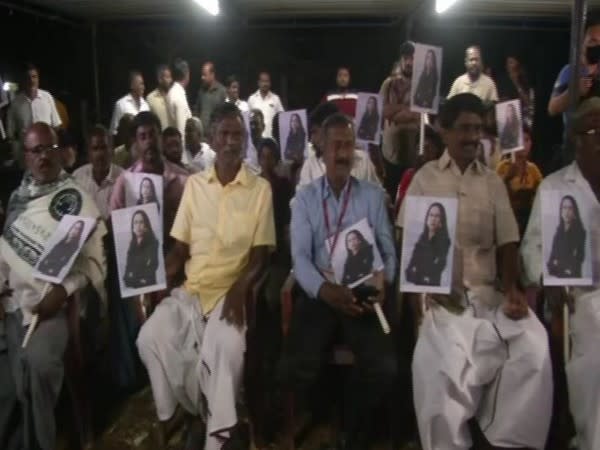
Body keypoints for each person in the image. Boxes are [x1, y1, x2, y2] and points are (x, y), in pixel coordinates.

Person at [397, 93, 552, 450]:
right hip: (441, 299)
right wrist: (417, 307)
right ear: (444, 131)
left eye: (478, 129)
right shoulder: (424, 179)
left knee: (533, 346)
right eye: (464, 128)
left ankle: (507, 443)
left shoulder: (492, 182)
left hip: (488, 294)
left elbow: (509, 241)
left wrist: (512, 288)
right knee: (439, 367)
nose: (471, 137)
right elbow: (409, 245)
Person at [136, 102, 275, 450]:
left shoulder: (260, 189)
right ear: (212, 138)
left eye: (238, 135)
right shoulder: (195, 186)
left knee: (226, 347)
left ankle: (217, 435)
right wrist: (149, 281)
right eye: (225, 134)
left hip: (232, 293)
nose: (231, 142)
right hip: (192, 291)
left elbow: (261, 257)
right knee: (150, 337)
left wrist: (240, 289)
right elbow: (180, 251)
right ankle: (195, 411)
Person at [281, 113, 397, 450]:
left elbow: (389, 253)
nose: (344, 153)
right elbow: (300, 258)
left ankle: (349, 421)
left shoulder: (372, 197)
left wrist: (382, 282)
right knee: (294, 366)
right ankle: (322, 412)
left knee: (385, 368)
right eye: (337, 145)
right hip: (321, 290)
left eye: (349, 145)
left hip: (362, 291)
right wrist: (324, 290)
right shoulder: (305, 199)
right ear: (322, 149)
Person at [0, 123, 106, 450]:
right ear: (26, 156)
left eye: (48, 148)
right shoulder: (19, 199)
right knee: (9, 381)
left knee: (37, 365)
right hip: (14, 303)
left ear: (59, 151)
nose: (43, 157)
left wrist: (60, 294)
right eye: (35, 151)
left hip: (55, 307)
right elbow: (4, 253)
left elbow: (93, 263)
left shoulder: (76, 199)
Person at [521, 97, 600, 450]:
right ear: (576, 140)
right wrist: (548, 279)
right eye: (595, 132)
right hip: (579, 296)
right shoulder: (554, 187)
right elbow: (530, 251)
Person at [111, 111, 188, 245]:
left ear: (160, 138)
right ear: (136, 142)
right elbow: (115, 224)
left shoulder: (182, 179)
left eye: (153, 135)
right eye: (143, 137)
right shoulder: (124, 182)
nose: (149, 141)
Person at [297, 102, 381, 191]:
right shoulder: (310, 165)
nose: (312, 139)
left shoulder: (362, 161)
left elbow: (379, 194)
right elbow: (298, 201)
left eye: (314, 132)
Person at [379, 41, 420, 199]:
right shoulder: (388, 84)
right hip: (390, 156)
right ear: (401, 59)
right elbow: (383, 111)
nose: (409, 62)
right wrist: (407, 108)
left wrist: (395, 111)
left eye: (412, 58)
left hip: (413, 156)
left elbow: (419, 114)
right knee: (390, 199)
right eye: (406, 58)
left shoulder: (421, 86)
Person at [7, 64, 61, 165]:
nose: (31, 81)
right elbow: (11, 134)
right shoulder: (15, 104)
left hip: (48, 154)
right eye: (27, 78)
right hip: (27, 158)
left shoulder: (47, 97)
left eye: (34, 77)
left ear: (38, 78)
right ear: (23, 80)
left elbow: (56, 125)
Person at [496, 126, 542, 236]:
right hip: (507, 222)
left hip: (529, 222)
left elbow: (542, 194)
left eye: (527, 140)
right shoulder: (502, 167)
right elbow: (493, 194)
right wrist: (507, 177)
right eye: (520, 140)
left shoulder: (533, 169)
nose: (524, 145)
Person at [73, 125, 124, 220]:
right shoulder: (77, 177)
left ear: (112, 151)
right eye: (95, 148)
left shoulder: (124, 179)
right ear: (88, 153)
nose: (100, 154)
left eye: (104, 147)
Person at [394, 125, 444, 215]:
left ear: (437, 150)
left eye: (428, 148)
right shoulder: (409, 175)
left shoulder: (444, 177)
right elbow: (399, 206)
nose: (423, 154)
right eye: (419, 149)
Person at [404, 202, 451, 286]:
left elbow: (436, 268)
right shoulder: (421, 239)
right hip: (417, 287)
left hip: (434, 288)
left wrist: (418, 272)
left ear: (442, 220)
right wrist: (423, 277)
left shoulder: (445, 241)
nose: (433, 219)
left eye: (437, 216)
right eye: (431, 215)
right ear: (427, 218)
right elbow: (408, 272)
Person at [546, 195, 586, 278]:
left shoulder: (580, 232)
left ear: (574, 211)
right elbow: (550, 264)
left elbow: (579, 259)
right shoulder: (557, 233)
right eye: (564, 208)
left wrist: (558, 263)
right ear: (560, 211)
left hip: (574, 278)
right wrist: (564, 265)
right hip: (558, 279)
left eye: (570, 208)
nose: (567, 211)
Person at [123, 209, 159, 288]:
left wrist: (133, 276)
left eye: (141, 222)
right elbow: (127, 273)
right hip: (136, 286)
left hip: (149, 286)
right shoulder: (132, 245)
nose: (138, 226)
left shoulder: (153, 242)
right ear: (132, 226)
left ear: (146, 224)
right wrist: (135, 278)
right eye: (135, 222)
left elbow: (152, 265)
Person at [498, 55, 534, 128]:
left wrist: (517, 83)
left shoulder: (525, 79)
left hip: (528, 119)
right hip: (514, 123)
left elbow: (529, 103)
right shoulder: (503, 82)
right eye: (509, 63)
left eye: (512, 62)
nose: (510, 65)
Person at [247, 71, 284, 138]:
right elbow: (248, 121)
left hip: (272, 139)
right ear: (259, 83)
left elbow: (282, 118)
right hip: (256, 140)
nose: (265, 84)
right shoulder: (251, 99)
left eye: (267, 81)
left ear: (270, 83)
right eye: (263, 81)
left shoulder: (276, 99)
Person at [194, 62, 227, 132]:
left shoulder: (222, 91)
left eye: (204, 75)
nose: (202, 77)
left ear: (212, 74)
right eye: (202, 74)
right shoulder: (201, 91)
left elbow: (225, 116)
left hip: (215, 135)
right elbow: (197, 111)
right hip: (201, 135)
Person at [167, 58, 192, 141]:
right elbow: (181, 131)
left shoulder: (172, 91)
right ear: (186, 74)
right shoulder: (178, 96)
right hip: (181, 148)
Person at [146, 64, 173, 130]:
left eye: (170, 77)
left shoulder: (174, 95)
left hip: (174, 138)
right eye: (167, 77)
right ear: (159, 79)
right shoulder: (150, 98)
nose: (171, 80)